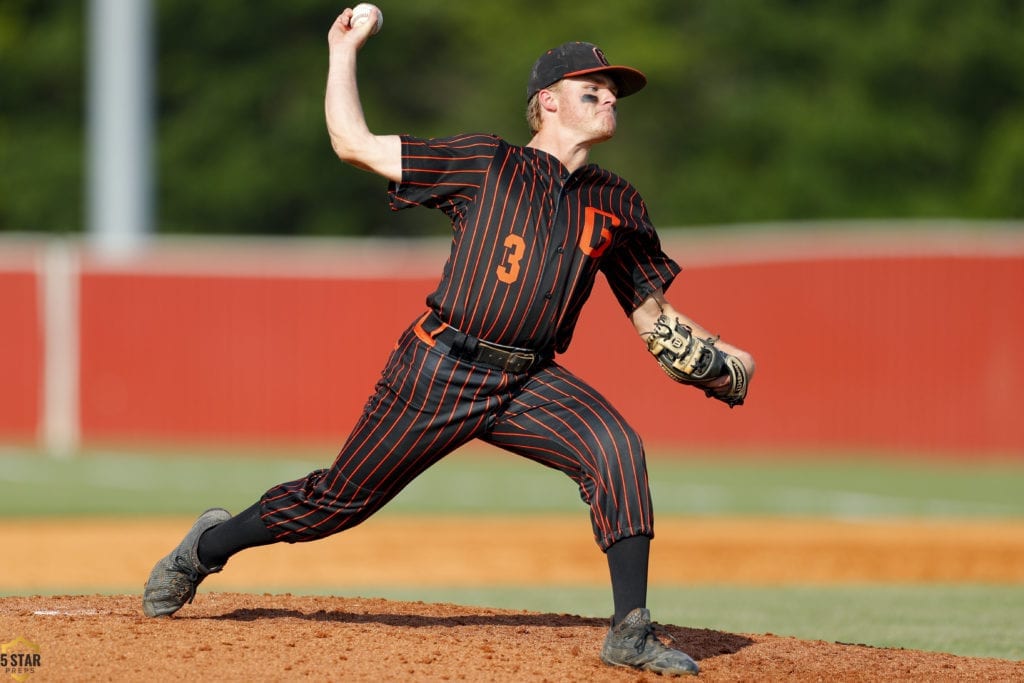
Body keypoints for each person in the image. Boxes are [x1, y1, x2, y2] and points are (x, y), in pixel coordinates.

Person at [143, 7, 755, 677]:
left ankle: (630, 630)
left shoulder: (618, 201)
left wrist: (717, 359)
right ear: (546, 102)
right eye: (594, 87)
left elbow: (652, 315)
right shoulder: (485, 162)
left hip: (528, 380)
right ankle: (209, 545)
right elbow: (355, 143)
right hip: (440, 364)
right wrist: (342, 50)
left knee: (616, 448)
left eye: (615, 92)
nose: (610, 98)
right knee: (335, 502)